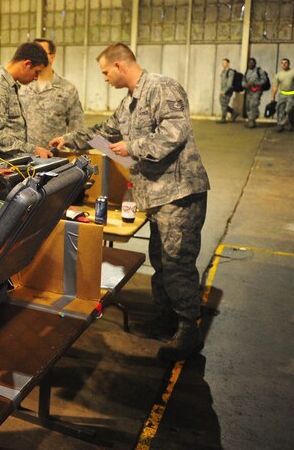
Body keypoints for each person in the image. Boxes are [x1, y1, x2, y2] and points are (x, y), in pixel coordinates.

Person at [49, 43, 210, 361]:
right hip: (155, 196)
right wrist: (69, 140)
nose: (105, 78)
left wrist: (132, 146)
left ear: (120, 65)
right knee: (161, 260)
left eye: (106, 72)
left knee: (177, 262)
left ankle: (188, 329)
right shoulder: (129, 105)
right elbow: (104, 134)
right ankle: (167, 321)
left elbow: (175, 132)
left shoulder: (162, 87)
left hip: (179, 192)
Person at [0, 42, 51, 159]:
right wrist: (33, 150)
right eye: (36, 72)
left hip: (10, 163)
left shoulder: (10, 86)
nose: (36, 78)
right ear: (27, 64)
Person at [18, 38, 85, 148]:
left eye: (41, 53)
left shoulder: (67, 89)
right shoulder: (22, 86)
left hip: (54, 156)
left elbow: (78, 129)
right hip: (24, 155)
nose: (36, 57)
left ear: (52, 57)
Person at [271, 58, 294, 132]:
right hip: (282, 95)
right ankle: (280, 125)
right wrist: (273, 97)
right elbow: (275, 86)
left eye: (286, 63)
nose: (284, 64)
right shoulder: (278, 75)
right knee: (280, 109)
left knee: (289, 109)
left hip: (292, 94)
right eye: (282, 63)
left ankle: (291, 123)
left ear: (289, 64)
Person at [242, 57, 269, 128]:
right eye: (249, 63)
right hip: (248, 91)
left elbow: (264, 80)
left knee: (253, 104)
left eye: (252, 63)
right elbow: (243, 80)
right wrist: (244, 84)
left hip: (257, 91)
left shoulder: (259, 70)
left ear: (255, 63)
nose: (250, 64)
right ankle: (251, 118)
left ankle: (251, 121)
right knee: (248, 106)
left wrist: (255, 83)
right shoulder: (247, 71)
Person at [217, 58, 238, 123]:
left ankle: (223, 118)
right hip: (223, 90)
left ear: (228, 63)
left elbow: (229, 83)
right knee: (223, 103)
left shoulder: (230, 72)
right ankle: (234, 112)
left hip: (227, 90)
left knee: (224, 103)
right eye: (222, 62)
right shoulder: (224, 71)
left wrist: (224, 91)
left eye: (224, 62)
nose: (223, 64)